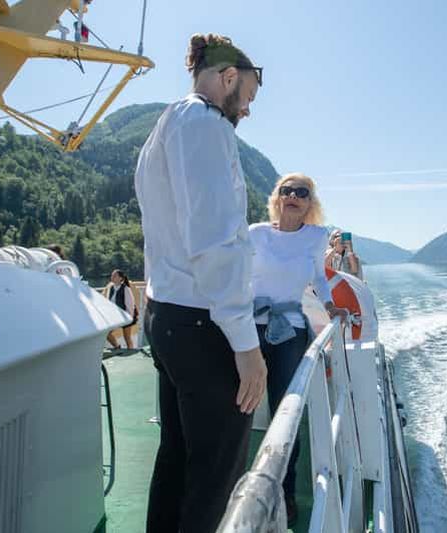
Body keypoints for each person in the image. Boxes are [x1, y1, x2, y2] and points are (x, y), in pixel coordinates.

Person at [134, 33, 267, 533]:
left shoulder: (167, 124)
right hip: (202, 325)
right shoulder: (206, 126)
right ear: (228, 77)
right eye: (247, 96)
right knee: (216, 475)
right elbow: (215, 242)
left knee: (177, 458)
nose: (246, 110)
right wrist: (246, 345)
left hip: (167, 316)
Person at [249, 173, 348, 526]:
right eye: (286, 190)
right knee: (238, 405)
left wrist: (330, 305)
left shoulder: (316, 236)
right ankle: (236, 484)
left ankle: (285, 491)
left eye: (301, 192)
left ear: (309, 203)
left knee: (285, 410)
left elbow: (319, 277)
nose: (293, 196)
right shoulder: (255, 233)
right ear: (277, 197)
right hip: (250, 327)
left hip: (289, 331)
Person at [106, 269, 137, 349]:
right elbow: (108, 303)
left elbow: (130, 305)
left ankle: (131, 352)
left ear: (120, 278)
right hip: (115, 316)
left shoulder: (126, 288)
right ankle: (117, 346)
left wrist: (129, 318)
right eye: (112, 275)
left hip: (126, 316)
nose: (112, 277)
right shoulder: (111, 288)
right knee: (107, 333)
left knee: (127, 337)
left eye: (114, 276)